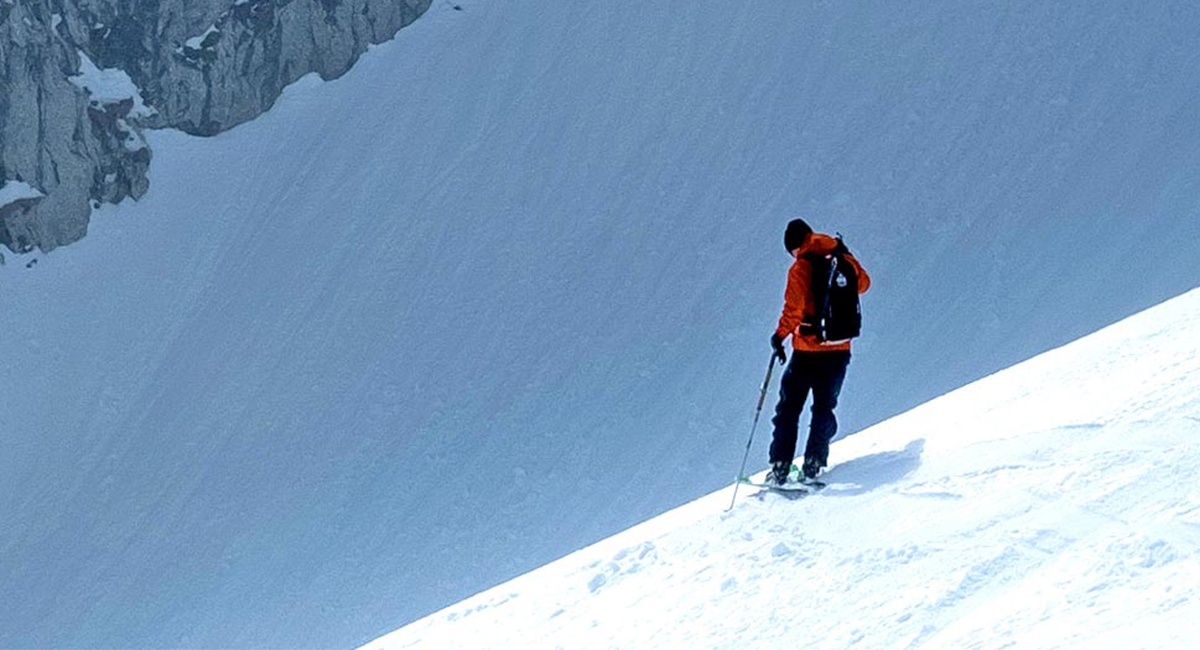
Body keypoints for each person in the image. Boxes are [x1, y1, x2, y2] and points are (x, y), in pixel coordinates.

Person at [767, 218, 871, 484]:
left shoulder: (801, 267)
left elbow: (794, 309)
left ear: (795, 245)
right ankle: (813, 464)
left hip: (807, 350)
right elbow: (863, 284)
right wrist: (846, 255)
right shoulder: (840, 255)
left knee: (789, 408)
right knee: (824, 407)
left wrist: (780, 336)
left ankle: (780, 466)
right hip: (839, 348)